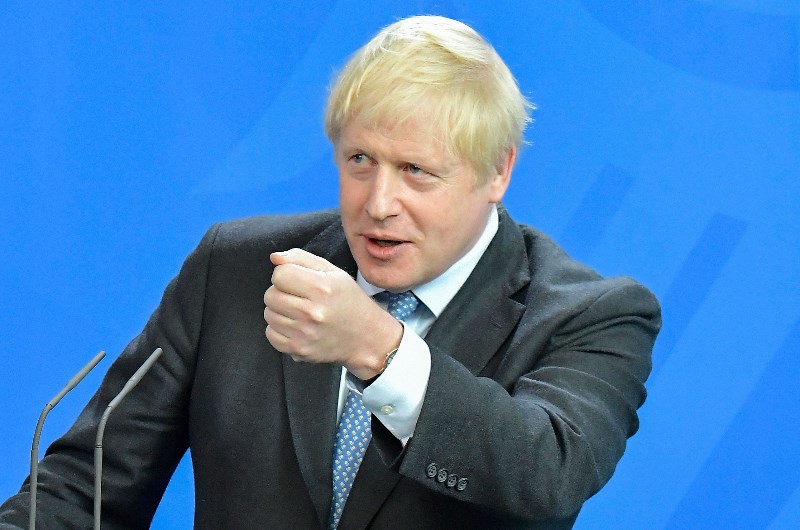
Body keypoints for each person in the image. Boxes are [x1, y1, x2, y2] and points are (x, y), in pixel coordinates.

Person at [0, 15, 660, 530]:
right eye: (360, 161)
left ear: (498, 170)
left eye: (416, 171)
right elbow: (86, 486)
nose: (378, 203)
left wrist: (377, 349)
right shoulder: (234, 268)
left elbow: (547, 474)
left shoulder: (592, 315)